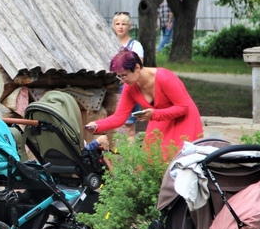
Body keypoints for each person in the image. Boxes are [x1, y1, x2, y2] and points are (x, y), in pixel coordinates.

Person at [86, 49, 203, 158]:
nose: (122, 80)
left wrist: (154, 114)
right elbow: (119, 117)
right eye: (119, 76)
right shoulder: (129, 87)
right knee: (149, 160)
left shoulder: (165, 78)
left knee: (176, 159)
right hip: (160, 119)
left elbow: (183, 108)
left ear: (137, 67)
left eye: (124, 75)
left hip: (183, 118)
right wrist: (97, 125)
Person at [112, 12, 144, 140]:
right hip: (111, 87)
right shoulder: (108, 42)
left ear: (129, 26)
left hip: (127, 86)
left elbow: (138, 67)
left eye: (123, 24)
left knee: (129, 125)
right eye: (117, 24)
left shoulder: (135, 46)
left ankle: (130, 157)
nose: (120, 27)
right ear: (113, 26)